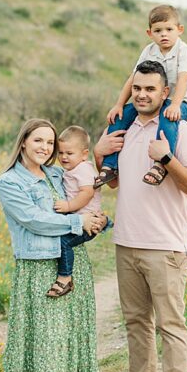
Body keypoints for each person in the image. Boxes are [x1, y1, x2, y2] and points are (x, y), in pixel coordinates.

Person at [93, 60, 187, 372]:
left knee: (170, 325)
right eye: (137, 88)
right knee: (136, 321)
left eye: (150, 89)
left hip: (166, 245)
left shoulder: (181, 132)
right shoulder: (122, 129)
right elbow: (113, 184)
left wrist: (167, 158)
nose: (142, 95)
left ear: (165, 93)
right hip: (127, 241)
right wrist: (99, 154)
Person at [0, 119, 106, 372]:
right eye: (38, 141)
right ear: (23, 143)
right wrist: (76, 223)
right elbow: (34, 219)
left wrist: (95, 218)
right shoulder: (10, 182)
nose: (45, 148)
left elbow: (85, 192)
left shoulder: (56, 174)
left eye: (50, 143)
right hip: (37, 262)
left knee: (65, 333)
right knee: (38, 333)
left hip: (71, 259)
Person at [95, 4, 187, 188]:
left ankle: (160, 164)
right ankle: (110, 165)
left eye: (169, 29)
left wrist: (175, 104)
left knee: (167, 118)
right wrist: (119, 104)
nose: (163, 34)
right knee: (121, 116)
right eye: (158, 30)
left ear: (179, 30)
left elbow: (183, 79)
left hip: (179, 102)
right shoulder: (149, 51)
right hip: (153, 99)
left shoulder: (183, 50)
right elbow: (133, 78)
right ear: (150, 33)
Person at [47, 125, 112, 298]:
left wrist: (68, 206)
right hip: (81, 219)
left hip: (88, 223)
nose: (64, 157)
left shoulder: (83, 169)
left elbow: (87, 192)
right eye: (60, 153)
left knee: (64, 243)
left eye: (69, 153)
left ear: (84, 154)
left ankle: (65, 277)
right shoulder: (72, 169)